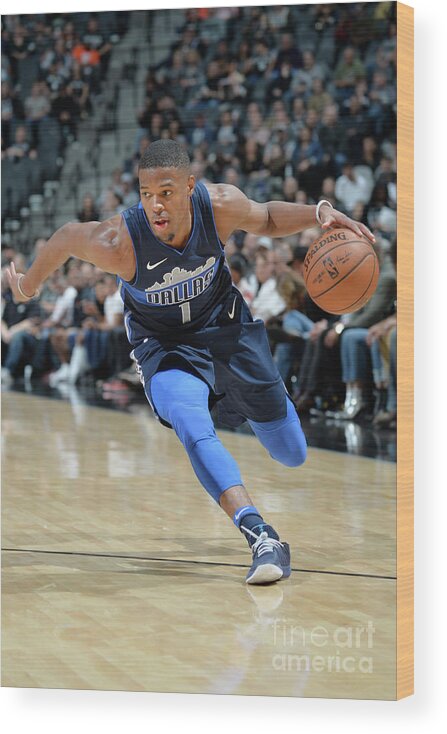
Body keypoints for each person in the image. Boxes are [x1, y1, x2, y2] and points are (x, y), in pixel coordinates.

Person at [6, 139, 374, 586]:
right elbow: (65, 237)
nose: (156, 205)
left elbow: (268, 217)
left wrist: (320, 212)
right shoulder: (119, 241)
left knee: (291, 453)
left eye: (166, 192)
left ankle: (237, 401)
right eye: (146, 194)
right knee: (189, 421)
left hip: (227, 330)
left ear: (189, 187)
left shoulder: (217, 206)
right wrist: (27, 286)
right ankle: (261, 536)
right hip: (164, 346)